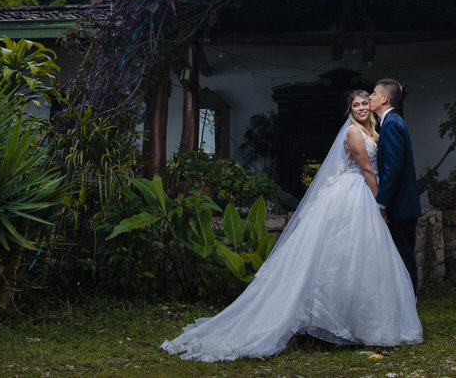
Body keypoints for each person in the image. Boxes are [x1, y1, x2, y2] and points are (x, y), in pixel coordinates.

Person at [160, 90, 422, 362]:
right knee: (347, 255)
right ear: (350, 111)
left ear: (371, 105)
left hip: (361, 194)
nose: (361, 108)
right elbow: (367, 170)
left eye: (364, 103)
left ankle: (360, 320)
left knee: (361, 258)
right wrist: (380, 204)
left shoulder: (374, 131)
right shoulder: (354, 134)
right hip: (355, 195)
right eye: (355, 105)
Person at [371, 78, 421, 289]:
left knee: (403, 257)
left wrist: (381, 203)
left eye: (373, 93)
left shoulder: (391, 125)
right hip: (402, 205)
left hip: (400, 206)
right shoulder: (392, 122)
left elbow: (393, 168)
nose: (370, 97)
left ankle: (410, 301)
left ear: (384, 98)